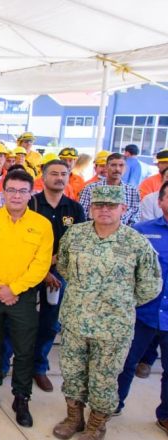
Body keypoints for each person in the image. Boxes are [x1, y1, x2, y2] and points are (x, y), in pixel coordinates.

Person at [53, 185, 162, 440]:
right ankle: (74, 418)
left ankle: (96, 425)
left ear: (123, 209)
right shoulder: (76, 234)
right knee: (72, 372)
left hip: (113, 328)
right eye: (99, 205)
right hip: (75, 321)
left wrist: (119, 302)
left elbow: (150, 284)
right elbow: (65, 267)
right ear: (91, 208)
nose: (104, 210)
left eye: (111, 206)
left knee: (104, 379)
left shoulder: (136, 241)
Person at [0, 169, 53, 427]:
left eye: (22, 191)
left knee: (24, 349)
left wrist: (14, 289)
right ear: (3, 192)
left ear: (31, 193)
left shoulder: (42, 225)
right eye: (11, 190)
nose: (16, 195)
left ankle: (22, 397)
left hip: (24, 297)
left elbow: (41, 266)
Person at [27, 160, 86, 393]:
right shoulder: (31, 204)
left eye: (64, 174)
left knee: (51, 322)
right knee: (18, 318)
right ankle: (5, 364)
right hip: (29, 272)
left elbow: (78, 243)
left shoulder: (74, 209)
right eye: (54, 173)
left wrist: (53, 266)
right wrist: (42, 269)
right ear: (43, 177)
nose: (59, 178)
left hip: (59, 275)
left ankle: (39, 367)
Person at [116, 181, 168, 433]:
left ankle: (166, 415)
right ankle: (113, 405)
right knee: (125, 363)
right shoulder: (140, 232)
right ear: (160, 202)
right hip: (142, 313)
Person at [80, 153, 140, 226]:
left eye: (121, 165)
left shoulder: (133, 191)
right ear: (106, 167)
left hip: (123, 234)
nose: (117, 169)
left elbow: (135, 219)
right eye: (113, 165)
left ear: (126, 168)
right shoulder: (91, 188)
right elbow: (82, 215)